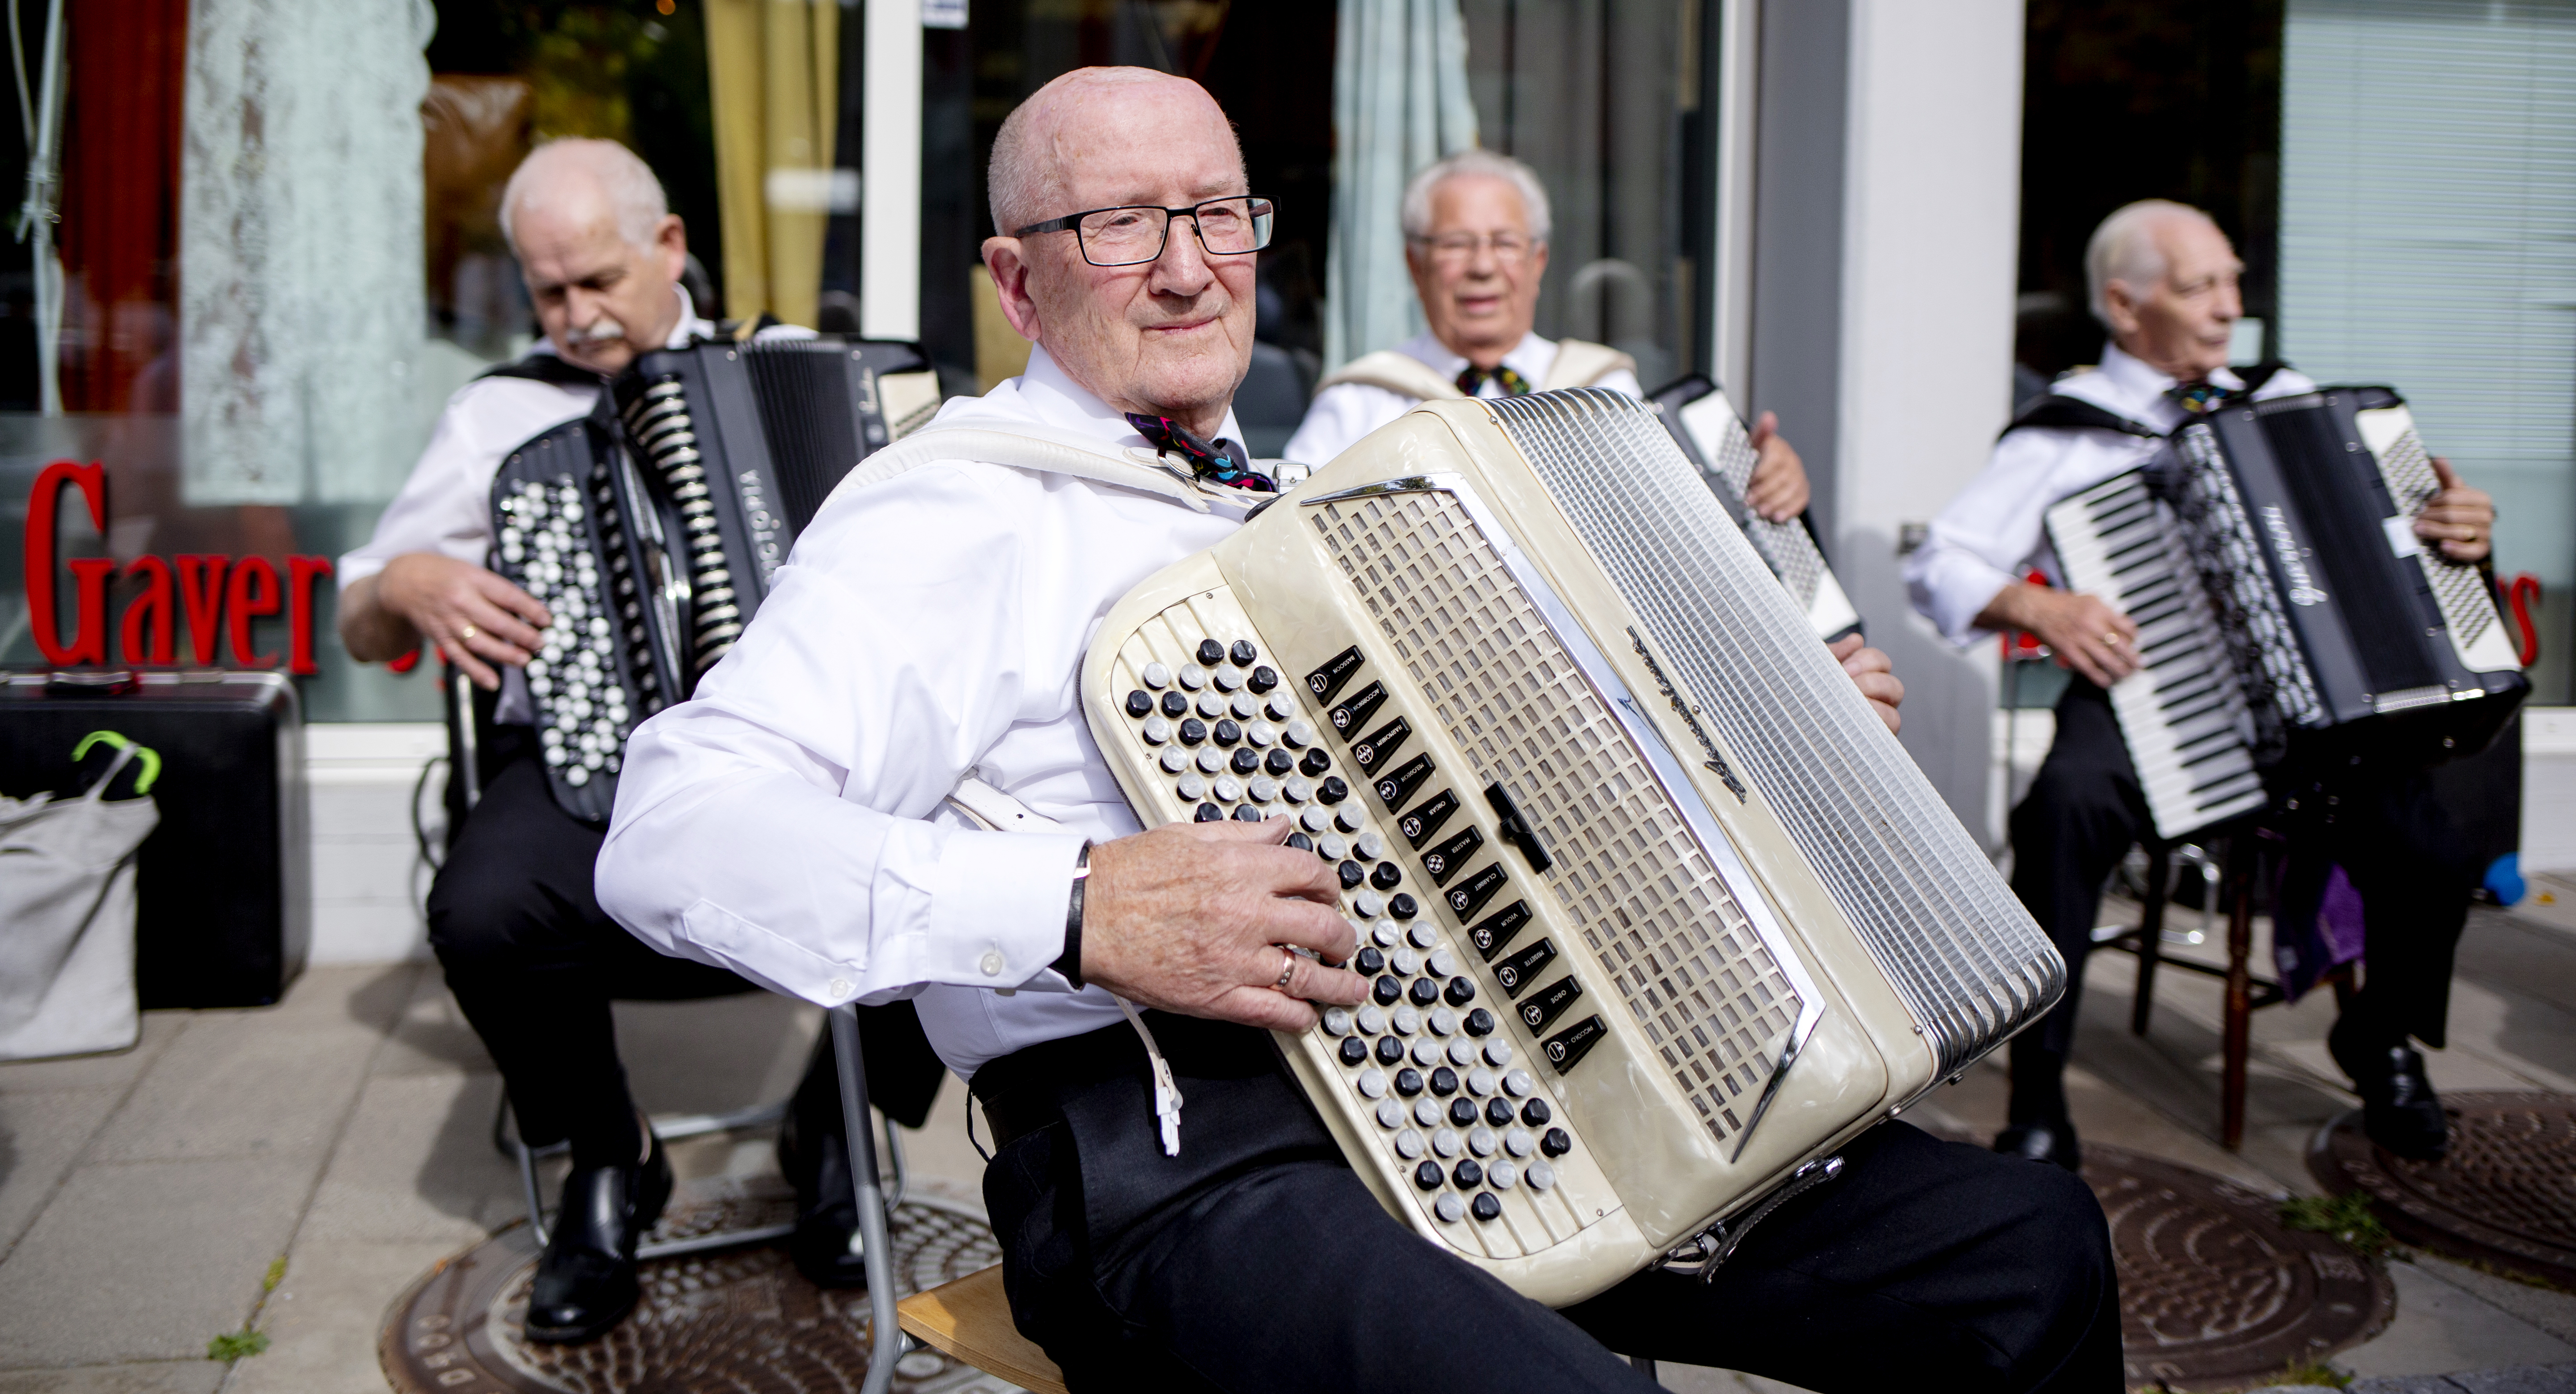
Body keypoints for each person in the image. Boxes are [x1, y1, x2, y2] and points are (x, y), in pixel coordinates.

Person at [599, 68, 2118, 1393]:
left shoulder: (1305, 508)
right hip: (1186, 1161)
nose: (1189, 267)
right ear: (1017, 283)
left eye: (1217, 215)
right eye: (1120, 224)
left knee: (2021, 1254)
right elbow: (674, 833)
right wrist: (1074, 907)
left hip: (1511, 1101)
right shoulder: (956, 508)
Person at [337, 139, 920, 1342]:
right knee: (482, 910)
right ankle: (614, 1154)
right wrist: (407, 577)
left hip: (788, 763)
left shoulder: (798, 374)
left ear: (670, 248)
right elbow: (355, 614)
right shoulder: (500, 413)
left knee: (968, 843)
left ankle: (831, 1122)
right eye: (547, 292)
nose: (576, 317)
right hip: (582, 759)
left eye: (597, 280)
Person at [1905, 199, 2497, 1168]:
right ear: (2125, 306)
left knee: (2435, 846)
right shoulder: (2065, 434)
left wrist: (2458, 530)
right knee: (2064, 807)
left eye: (2231, 281)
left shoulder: (2289, 398)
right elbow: (1942, 562)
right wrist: (2041, 608)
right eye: (2199, 288)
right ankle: (2041, 1092)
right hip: (2148, 696)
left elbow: (2402, 545)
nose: (2228, 308)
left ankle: (2381, 1036)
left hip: (2320, 712)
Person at [1284, 149, 1898, 731]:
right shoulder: (1361, 401)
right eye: (1456, 244)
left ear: (1538, 262)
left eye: (1504, 243)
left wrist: (1766, 481)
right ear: (1416, 264)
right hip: (1431, 696)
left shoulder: (1606, 387)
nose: (1481, 265)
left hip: (1609, 700)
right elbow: (1286, 544)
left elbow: (1686, 551)